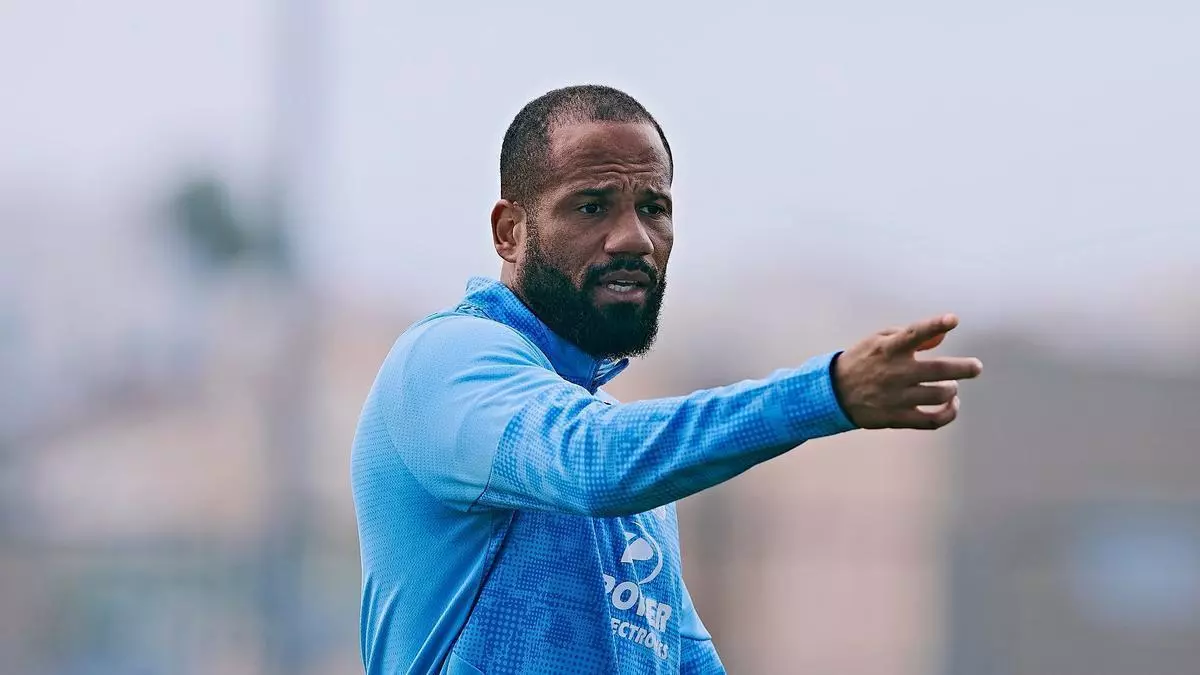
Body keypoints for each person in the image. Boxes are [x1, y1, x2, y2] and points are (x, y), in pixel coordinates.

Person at [351, 84, 983, 675]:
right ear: (509, 231)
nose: (634, 239)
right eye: (592, 206)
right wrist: (827, 392)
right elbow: (592, 462)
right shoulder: (447, 361)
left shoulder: (629, 466)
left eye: (654, 208)